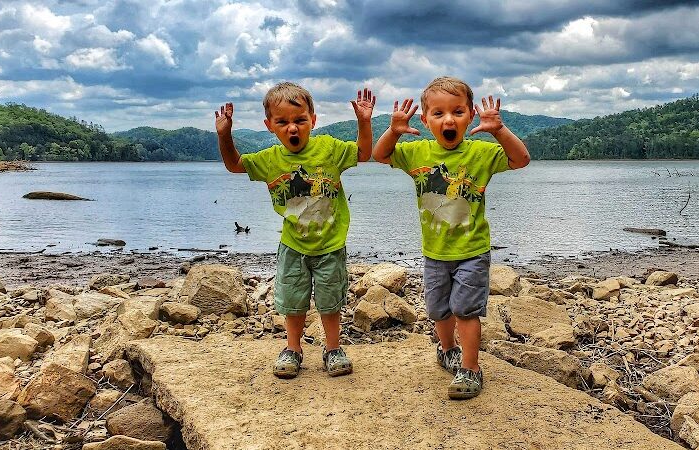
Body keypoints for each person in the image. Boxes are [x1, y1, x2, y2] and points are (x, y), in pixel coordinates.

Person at [372, 76, 530, 399]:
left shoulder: (481, 153)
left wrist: (499, 130)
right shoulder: (417, 152)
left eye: (457, 112)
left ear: (470, 116)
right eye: (439, 113)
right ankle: (447, 351)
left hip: (472, 251)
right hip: (434, 252)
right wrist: (393, 131)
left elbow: (521, 159)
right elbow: (380, 155)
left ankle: (471, 368)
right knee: (439, 309)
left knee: (465, 310)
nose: (448, 120)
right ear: (425, 119)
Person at [215, 82, 375, 378]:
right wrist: (224, 135)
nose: (292, 128)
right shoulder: (270, 160)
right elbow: (234, 164)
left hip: (330, 244)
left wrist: (364, 122)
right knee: (293, 300)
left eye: (300, 120)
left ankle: (333, 348)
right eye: (282, 122)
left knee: (330, 302)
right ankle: (293, 348)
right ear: (269, 126)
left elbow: (364, 153)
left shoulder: (329, 149)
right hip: (293, 245)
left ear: (312, 120)